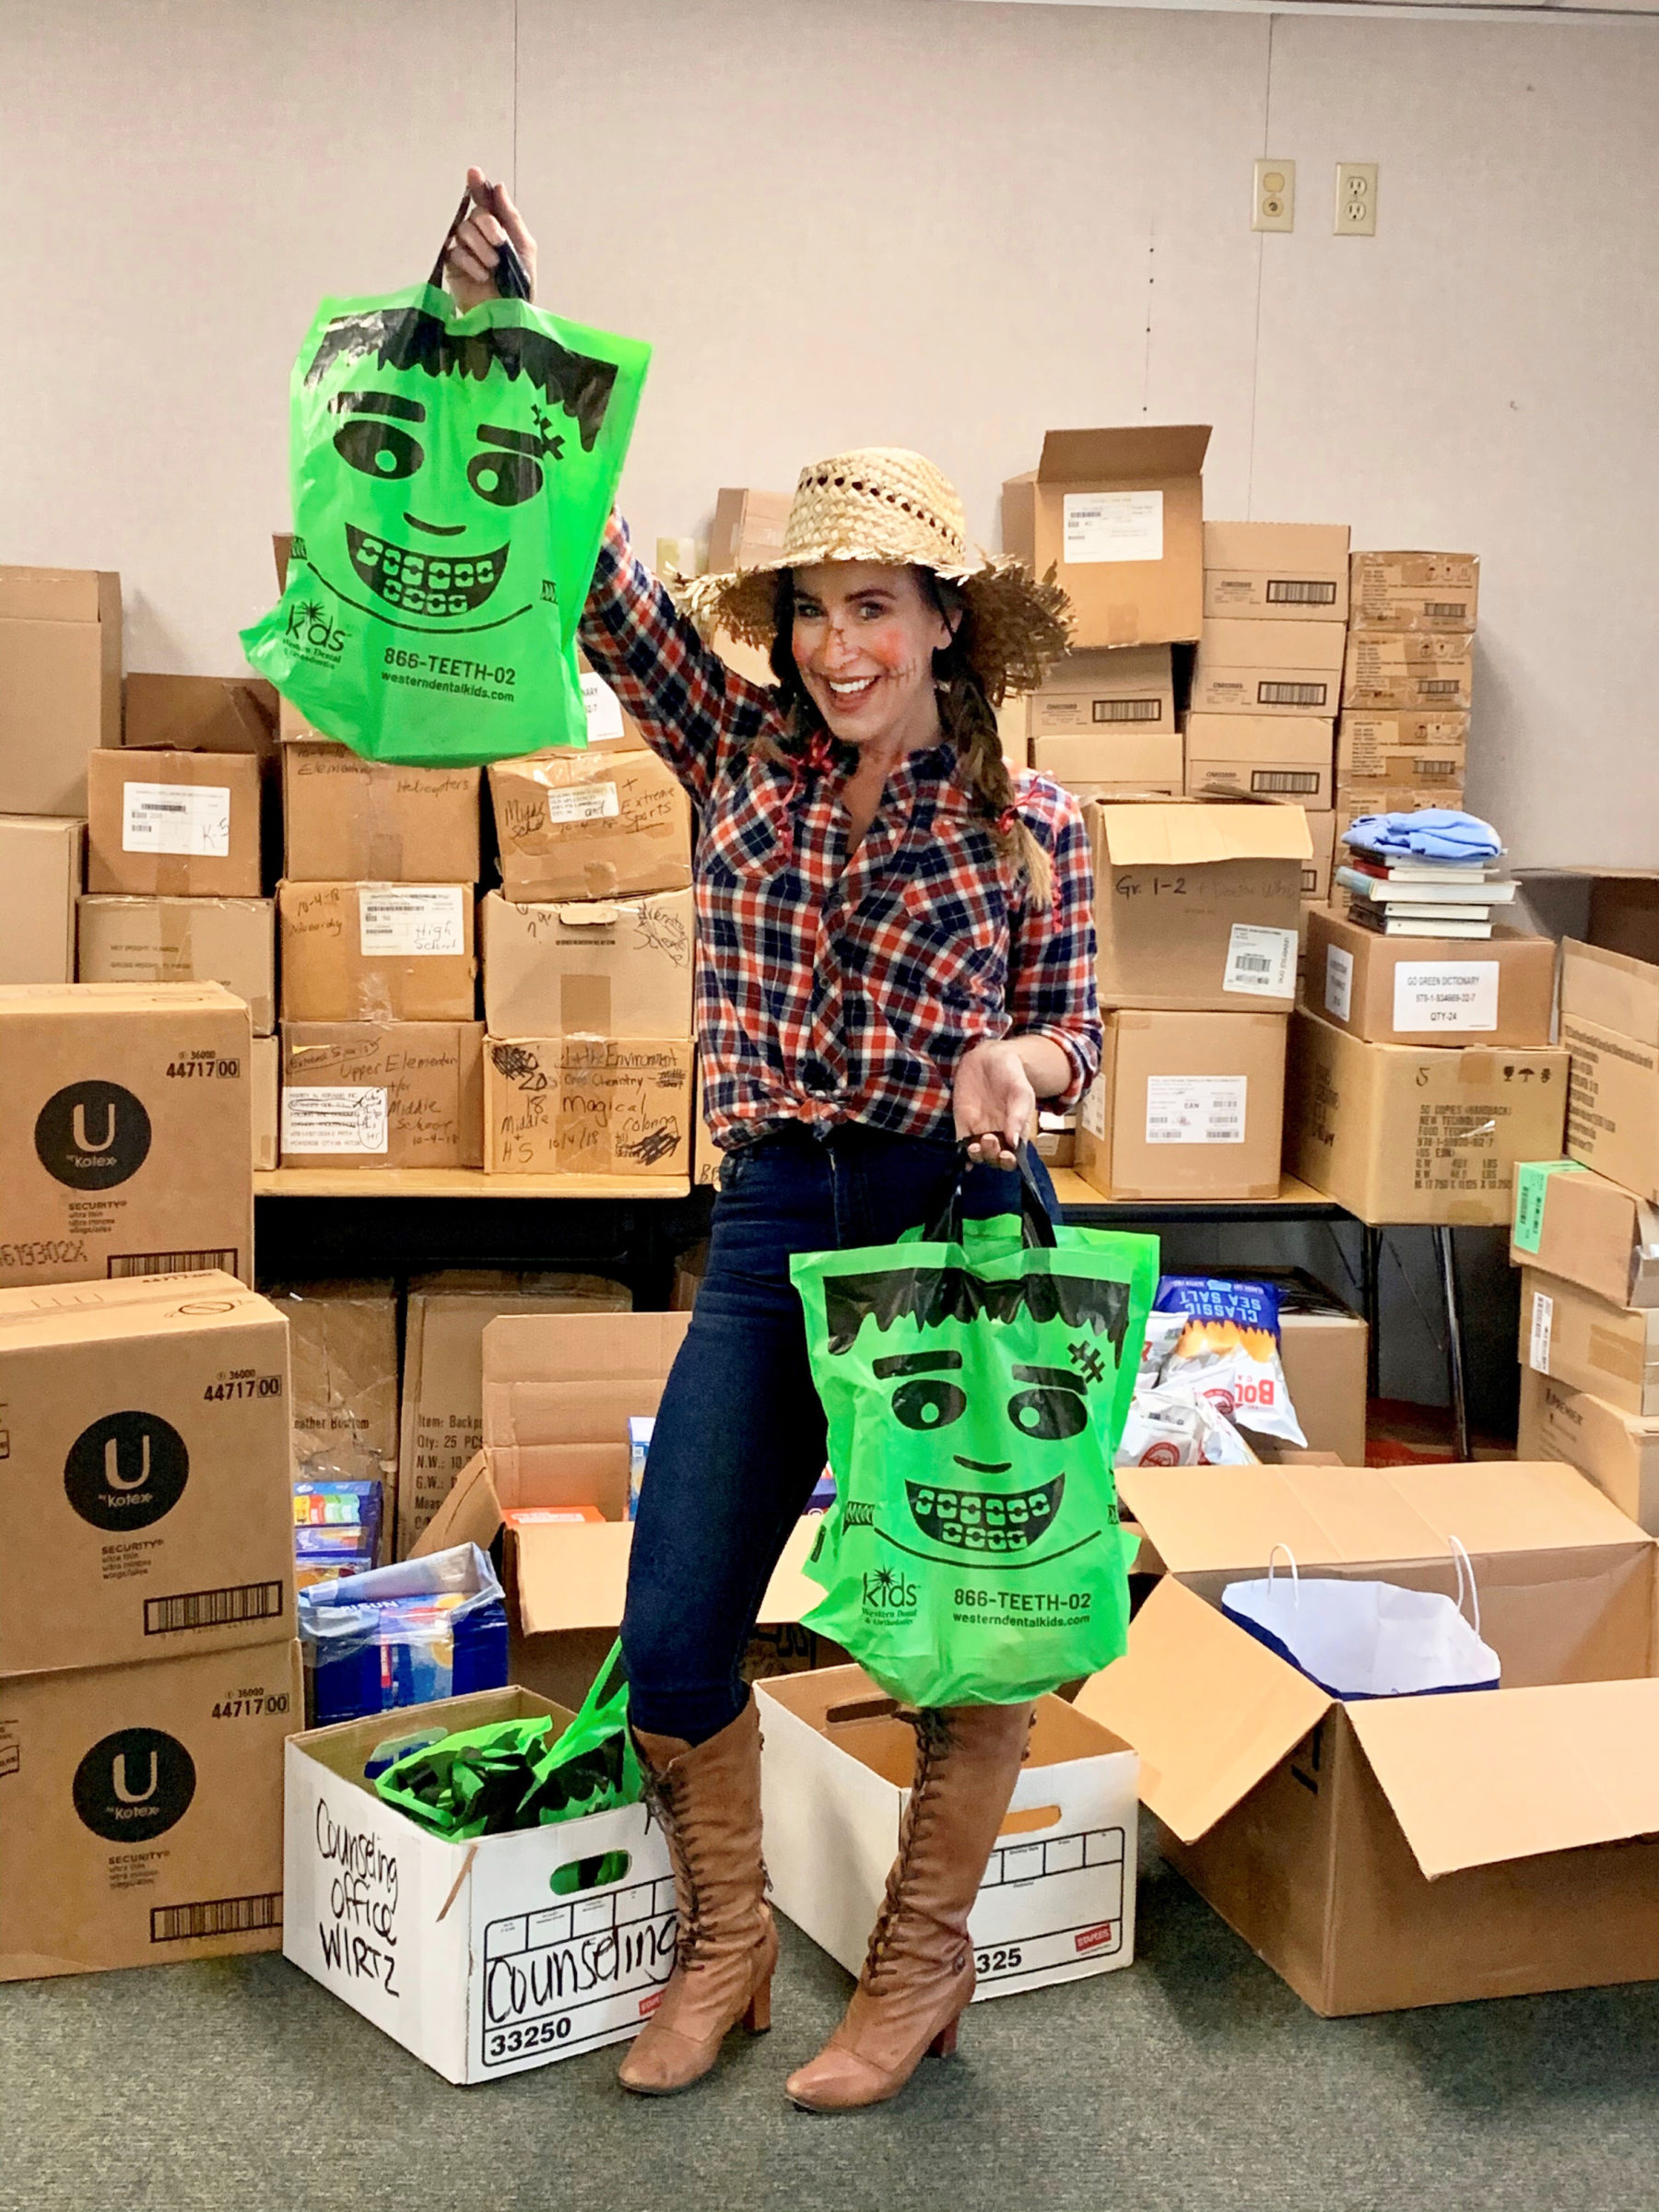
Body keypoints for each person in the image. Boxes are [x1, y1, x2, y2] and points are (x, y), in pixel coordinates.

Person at [447, 172, 1101, 2112]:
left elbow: (1083, 1037)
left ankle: (916, 1971)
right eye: (814, 608)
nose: (836, 643)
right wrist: (497, 328)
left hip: (955, 1234)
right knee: (670, 1636)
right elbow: (588, 554)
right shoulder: (731, 747)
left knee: (961, 1641)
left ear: (943, 625)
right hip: (766, 1230)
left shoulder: (1034, 821)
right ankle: (726, 1952)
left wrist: (1023, 1069)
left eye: (873, 608)